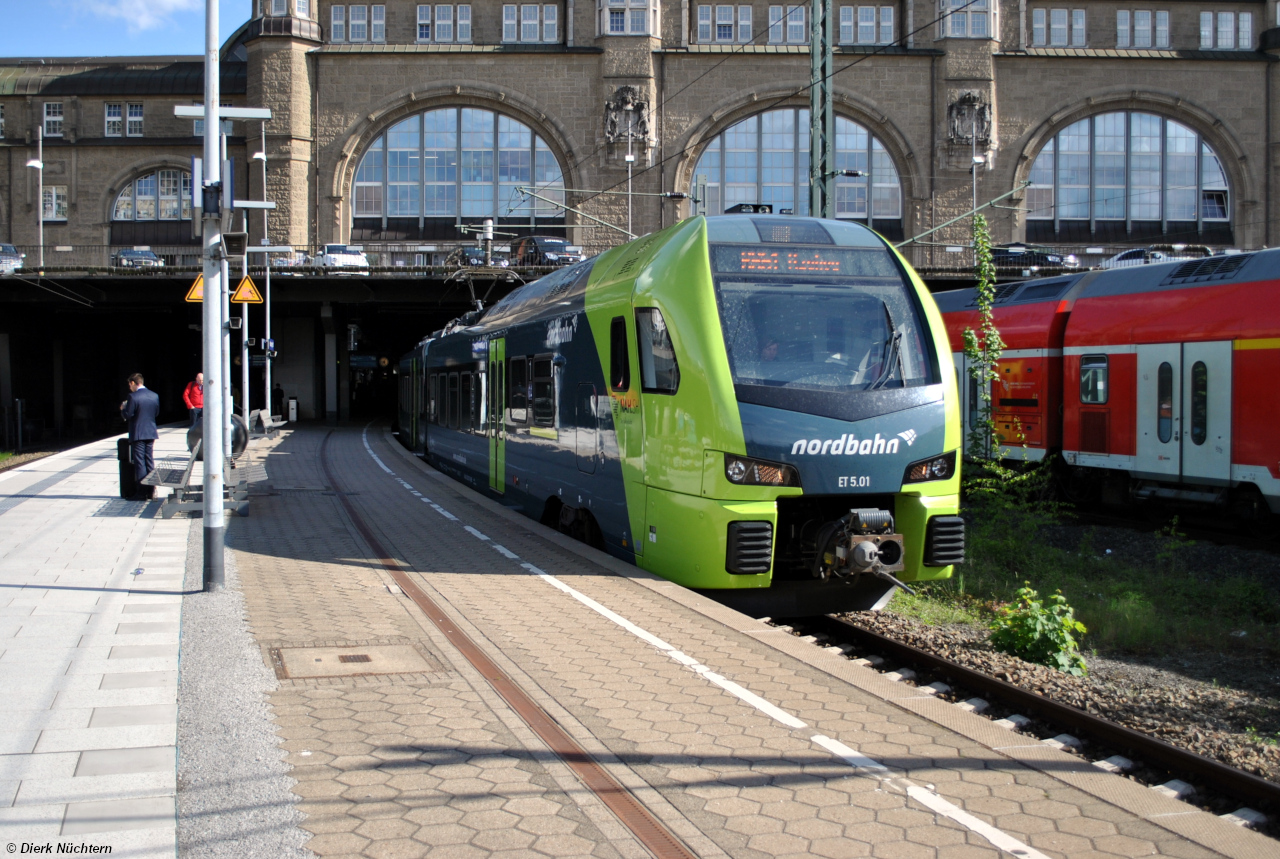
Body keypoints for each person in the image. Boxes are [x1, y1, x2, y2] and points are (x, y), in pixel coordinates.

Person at [120, 373, 160, 500]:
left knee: (139, 462)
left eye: (129, 385)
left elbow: (129, 415)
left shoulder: (132, 396)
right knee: (149, 460)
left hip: (138, 433)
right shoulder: (154, 395)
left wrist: (123, 409)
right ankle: (151, 489)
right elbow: (156, 413)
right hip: (151, 432)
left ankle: (142, 492)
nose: (129, 388)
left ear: (133, 383)